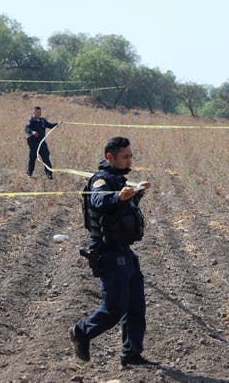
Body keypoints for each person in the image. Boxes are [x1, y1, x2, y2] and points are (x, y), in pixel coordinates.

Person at [70, 136, 155, 367]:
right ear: (111, 157)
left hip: (126, 253)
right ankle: (81, 331)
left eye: (131, 156)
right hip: (108, 254)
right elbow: (98, 201)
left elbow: (121, 212)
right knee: (114, 309)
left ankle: (132, 354)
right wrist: (118, 195)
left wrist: (136, 194)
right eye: (125, 156)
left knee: (136, 307)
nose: (130, 160)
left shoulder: (119, 180)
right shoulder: (101, 181)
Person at [24, 106, 58, 179]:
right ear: (34, 112)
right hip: (33, 143)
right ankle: (29, 173)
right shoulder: (31, 120)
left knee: (46, 158)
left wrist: (57, 124)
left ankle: (49, 174)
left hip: (42, 143)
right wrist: (32, 132)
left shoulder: (43, 120)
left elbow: (50, 125)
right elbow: (26, 129)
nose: (39, 113)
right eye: (37, 112)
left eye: (40, 112)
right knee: (32, 158)